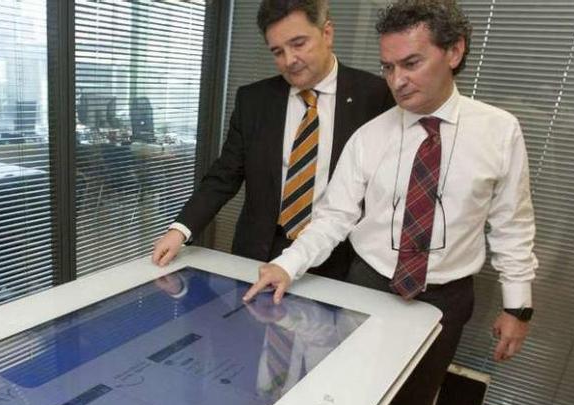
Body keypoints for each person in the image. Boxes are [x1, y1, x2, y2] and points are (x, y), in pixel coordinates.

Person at [243, 0, 538, 405]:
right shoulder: (369, 138)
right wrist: (287, 265)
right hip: (369, 283)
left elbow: (511, 223)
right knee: (336, 395)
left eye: (411, 63)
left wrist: (518, 305)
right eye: (388, 66)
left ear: (454, 51)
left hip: (445, 297)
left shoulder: (499, 131)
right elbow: (334, 217)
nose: (396, 80)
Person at [151, 0, 395, 282]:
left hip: (335, 259)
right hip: (258, 251)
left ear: (327, 33)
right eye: (278, 51)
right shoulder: (253, 100)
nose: (289, 60)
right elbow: (223, 176)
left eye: (299, 43)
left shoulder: (375, 97)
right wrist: (180, 229)